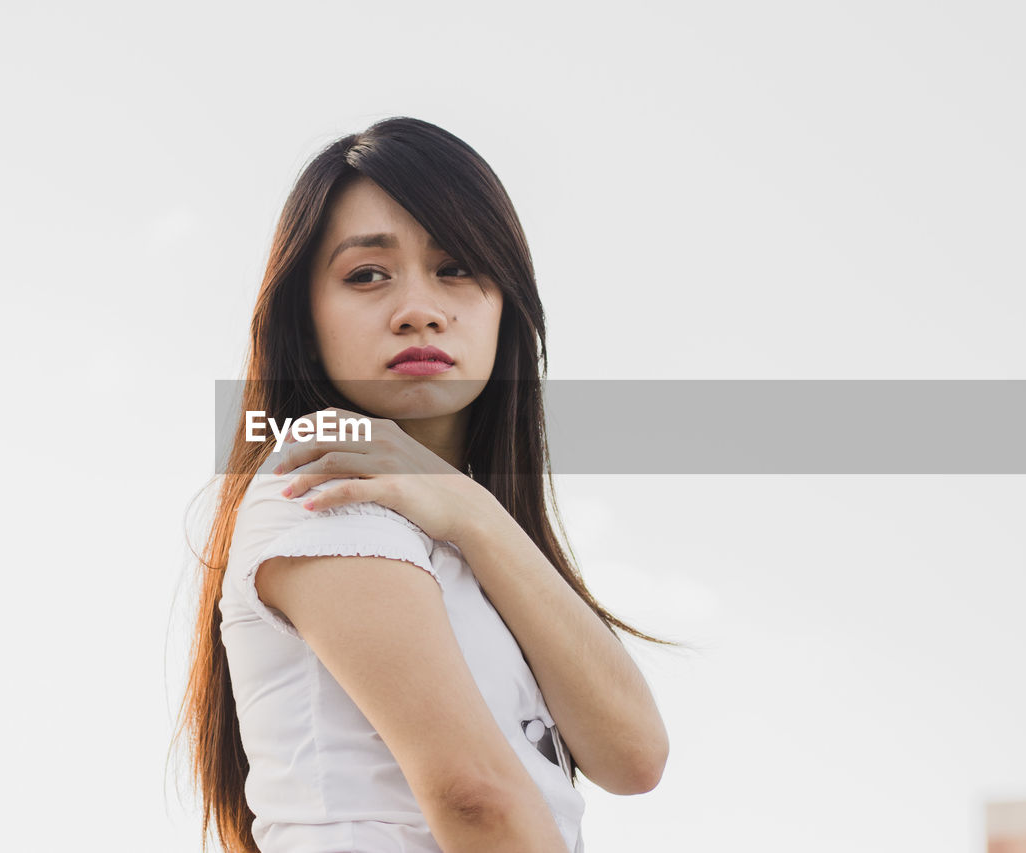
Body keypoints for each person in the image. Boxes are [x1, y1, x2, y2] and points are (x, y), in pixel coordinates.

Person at [174, 116, 675, 853]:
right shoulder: (322, 483)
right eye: (366, 275)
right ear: (304, 318)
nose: (418, 309)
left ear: (507, 305)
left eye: (457, 267)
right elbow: (476, 797)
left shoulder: (450, 516)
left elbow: (634, 755)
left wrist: (473, 509)